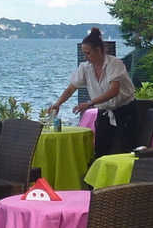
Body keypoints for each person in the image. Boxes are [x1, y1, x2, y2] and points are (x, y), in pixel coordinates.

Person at [47, 28, 137, 158]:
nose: (85, 57)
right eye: (84, 53)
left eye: (88, 53)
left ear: (98, 50)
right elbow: (71, 88)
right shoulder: (85, 67)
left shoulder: (114, 64)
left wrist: (89, 103)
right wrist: (58, 103)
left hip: (126, 110)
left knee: (128, 149)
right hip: (105, 111)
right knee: (101, 150)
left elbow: (114, 91)